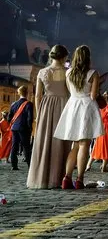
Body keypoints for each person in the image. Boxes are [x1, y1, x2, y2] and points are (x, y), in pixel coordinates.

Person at [54, 45, 104, 189]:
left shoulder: (68, 73)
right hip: (87, 107)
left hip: (73, 106)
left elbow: (71, 92)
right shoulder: (93, 73)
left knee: (74, 146)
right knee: (84, 145)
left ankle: (66, 178)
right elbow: (93, 96)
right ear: (88, 57)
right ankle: (80, 179)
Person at [28, 45, 72, 188]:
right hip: (64, 106)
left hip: (47, 106)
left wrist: (38, 113)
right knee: (61, 142)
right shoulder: (68, 72)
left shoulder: (42, 72)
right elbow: (71, 93)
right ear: (64, 57)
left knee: (44, 140)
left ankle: (41, 177)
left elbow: (37, 95)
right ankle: (58, 178)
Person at [87, 91, 108, 172]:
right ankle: (104, 167)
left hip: (101, 127)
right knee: (107, 146)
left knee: (97, 146)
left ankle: (88, 165)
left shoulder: (99, 106)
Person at [8, 86, 34, 170]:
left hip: (14, 128)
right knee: (26, 147)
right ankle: (30, 166)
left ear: (19, 93)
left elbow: (9, 117)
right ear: (26, 93)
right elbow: (30, 118)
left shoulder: (13, 104)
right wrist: (30, 128)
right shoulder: (29, 104)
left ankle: (14, 166)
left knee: (14, 146)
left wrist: (13, 125)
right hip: (24, 128)